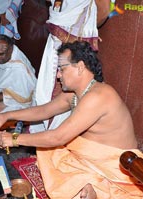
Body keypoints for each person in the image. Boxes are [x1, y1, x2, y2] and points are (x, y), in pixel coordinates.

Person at [0, 41, 143, 198]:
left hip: (116, 169)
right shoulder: (76, 94)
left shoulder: (99, 96)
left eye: (61, 69)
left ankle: (95, 188)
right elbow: (44, 111)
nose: (58, 75)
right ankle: (88, 185)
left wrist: (12, 139)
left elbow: (57, 137)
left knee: (51, 144)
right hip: (88, 160)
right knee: (47, 151)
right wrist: (8, 115)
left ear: (79, 67)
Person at [31, 0, 99, 134]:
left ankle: (52, 132)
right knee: (45, 94)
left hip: (72, 51)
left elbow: (105, 8)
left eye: (61, 71)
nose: (58, 74)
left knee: (55, 100)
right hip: (55, 45)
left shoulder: (96, 97)